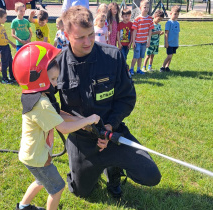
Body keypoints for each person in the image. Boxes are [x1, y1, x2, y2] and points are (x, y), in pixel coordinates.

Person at [56, 6, 161, 198]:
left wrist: (111, 126)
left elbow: (127, 98)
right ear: (66, 34)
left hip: (112, 133)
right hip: (81, 139)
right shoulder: (56, 64)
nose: (87, 42)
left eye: (91, 35)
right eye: (80, 37)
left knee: (151, 175)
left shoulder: (113, 57)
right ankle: (88, 167)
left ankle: (113, 168)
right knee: (81, 191)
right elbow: (45, 104)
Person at [12, 42, 100, 210]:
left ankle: (23, 207)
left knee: (41, 181)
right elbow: (64, 128)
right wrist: (87, 121)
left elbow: (59, 115)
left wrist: (83, 121)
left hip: (34, 154)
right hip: (37, 158)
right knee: (57, 188)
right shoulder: (41, 104)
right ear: (39, 79)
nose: (55, 83)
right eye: (52, 79)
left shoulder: (37, 96)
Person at [0, 8, 17, 84]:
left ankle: (12, 77)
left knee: (10, 62)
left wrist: (11, 43)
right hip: (2, 48)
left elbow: (5, 37)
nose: (6, 19)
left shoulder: (2, 26)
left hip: (6, 46)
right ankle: (4, 79)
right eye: (4, 18)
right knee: (5, 64)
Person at [129, 0, 154, 75]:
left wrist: (148, 41)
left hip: (144, 42)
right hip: (137, 42)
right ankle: (131, 69)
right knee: (135, 57)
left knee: (140, 57)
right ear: (140, 8)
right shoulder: (137, 19)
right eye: (144, 7)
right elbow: (134, 31)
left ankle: (138, 69)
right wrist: (133, 42)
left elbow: (150, 31)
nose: (146, 9)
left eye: (148, 7)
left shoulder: (150, 19)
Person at [160, 6, 180, 72]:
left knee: (171, 56)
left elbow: (177, 34)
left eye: (177, 14)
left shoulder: (177, 23)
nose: (176, 16)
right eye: (175, 14)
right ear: (171, 13)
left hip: (175, 43)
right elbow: (166, 33)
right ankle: (162, 67)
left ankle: (167, 67)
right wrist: (166, 42)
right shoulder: (169, 23)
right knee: (169, 56)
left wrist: (177, 42)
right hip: (169, 43)